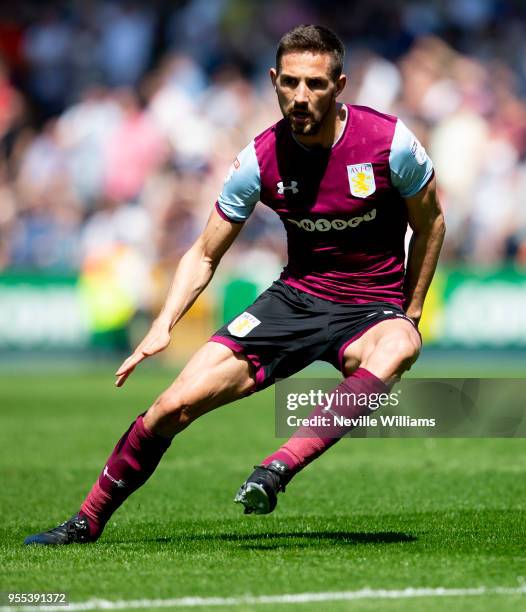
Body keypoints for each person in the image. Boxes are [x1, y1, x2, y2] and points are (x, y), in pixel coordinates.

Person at [24, 24, 445, 544]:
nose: (300, 96)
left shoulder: (390, 143)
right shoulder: (258, 159)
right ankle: (85, 521)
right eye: (289, 83)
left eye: (314, 84)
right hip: (295, 299)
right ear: (273, 81)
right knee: (171, 407)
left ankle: (277, 468)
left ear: (340, 85)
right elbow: (203, 254)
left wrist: (412, 308)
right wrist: (163, 325)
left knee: (401, 343)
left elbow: (431, 225)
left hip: (370, 307)